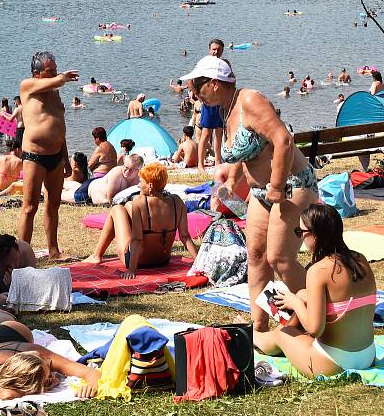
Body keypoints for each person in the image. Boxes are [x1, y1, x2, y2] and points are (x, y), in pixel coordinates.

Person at [182, 54, 318, 334]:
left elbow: (283, 141)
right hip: (260, 193)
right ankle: (259, 325)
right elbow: (247, 154)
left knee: (279, 260)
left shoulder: (250, 100)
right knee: (255, 256)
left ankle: (318, 312)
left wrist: (277, 186)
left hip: (292, 186)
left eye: (197, 85)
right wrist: (232, 184)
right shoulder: (225, 110)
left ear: (216, 83)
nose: (194, 92)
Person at [252, 204, 376, 377]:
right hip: (368, 356)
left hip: (333, 362)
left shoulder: (318, 270)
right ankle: (260, 336)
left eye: (300, 232)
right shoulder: (360, 260)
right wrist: (300, 298)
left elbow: (314, 329)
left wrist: (294, 303)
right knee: (303, 295)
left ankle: (254, 337)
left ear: (315, 234)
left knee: (283, 333)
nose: (301, 238)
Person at [84, 163, 198, 278]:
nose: (138, 185)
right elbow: (185, 237)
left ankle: (96, 255)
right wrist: (199, 263)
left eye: (141, 182)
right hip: (163, 260)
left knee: (117, 209)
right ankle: (96, 255)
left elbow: (137, 239)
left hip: (140, 263)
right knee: (128, 206)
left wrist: (132, 270)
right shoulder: (177, 202)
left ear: (150, 186)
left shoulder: (140, 203)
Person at [0, 306, 99, 401]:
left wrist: (92, 383)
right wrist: (44, 385)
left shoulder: (39, 353)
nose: (52, 376)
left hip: (9, 335)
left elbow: (90, 372)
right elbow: (7, 394)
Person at [18, 51, 78, 260]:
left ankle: (53, 251)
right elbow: (58, 81)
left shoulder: (55, 93)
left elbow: (59, 127)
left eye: (55, 69)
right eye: (49, 70)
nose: (54, 73)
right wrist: (61, 78)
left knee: (53, 205)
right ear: (37, 73)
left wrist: (66, 157)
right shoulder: (27, 86)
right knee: (29, 207)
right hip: (35, 155)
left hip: (56, 156)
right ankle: (22, 255)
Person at [197, 39, 228, 174]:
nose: (216, 52)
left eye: (219, 49)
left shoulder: (225, 64)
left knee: (219, 133)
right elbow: (191, 80)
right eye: (214, 49)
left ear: (222, 50)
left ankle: (218, 161)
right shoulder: (204, 64)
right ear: (209, 49)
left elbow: (231, 81)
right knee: (206, 133)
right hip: (208, 103)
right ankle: (200, 164)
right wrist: (199, 97)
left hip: (221, 102)